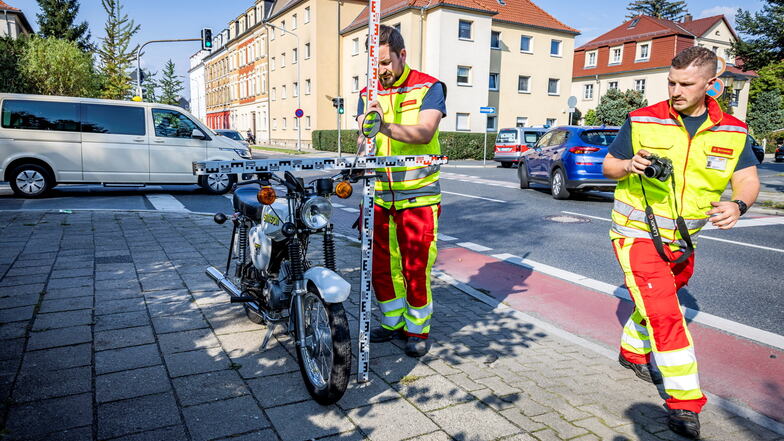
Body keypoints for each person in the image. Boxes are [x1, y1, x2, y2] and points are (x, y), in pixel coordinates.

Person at [603, 46, 760, 439]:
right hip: (635, 233)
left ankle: (632, 351)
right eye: (671, 82)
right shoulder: (642, 119)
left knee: (659, 301)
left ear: (712, 85)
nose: (675, 90)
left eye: (686, 84)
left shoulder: (734, 131)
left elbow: (747, 179)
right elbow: (609, 166)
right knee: (668, 315)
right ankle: (685, 402)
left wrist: (739, 205)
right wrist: (628, 166)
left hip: (684, 240)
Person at [356, 25, 446, 357]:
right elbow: (363, 137)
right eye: (374, 65)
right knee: (380, 266)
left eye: (384, 63)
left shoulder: (430, 87)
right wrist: (359, 153)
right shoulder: (368, 91)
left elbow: (424, 131)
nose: (380, 72)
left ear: (401, 55)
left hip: (418, 196)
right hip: (378, 194)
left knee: (415, 267)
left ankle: (417, 329)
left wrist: (384, 125)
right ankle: (393, 322)